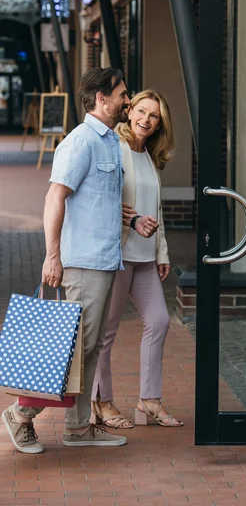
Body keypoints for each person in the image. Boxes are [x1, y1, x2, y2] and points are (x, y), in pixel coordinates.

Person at [1, 67, 158, 454]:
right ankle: (20, 414)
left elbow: (101, 200)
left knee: (86, 349)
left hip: (105, 261)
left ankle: (78, 427)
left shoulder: (108, 143)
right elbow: (55, 198)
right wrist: (52, 256)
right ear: (102, 99)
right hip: (83, 262)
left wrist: (134, 219)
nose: (128, 100)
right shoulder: (81, 142)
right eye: (122, 94)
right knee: (73, 347)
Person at [91, 89, 183, 429]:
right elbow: (99, 198)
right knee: (106, 334)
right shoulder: (113, 148)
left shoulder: (148, 157)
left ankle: (149, 399)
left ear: (160, 124)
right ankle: (101, 401)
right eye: (141, 111)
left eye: (154, 115)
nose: (146, 119)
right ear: (129, 112)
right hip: (117, 256)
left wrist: (162, 252)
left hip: (144, 259)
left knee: (158, 321)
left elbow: (155, 209)